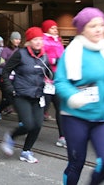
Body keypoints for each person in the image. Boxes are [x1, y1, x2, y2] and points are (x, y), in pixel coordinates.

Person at [54, 7, 104, 184]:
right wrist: (73, 96)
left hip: (102, 116)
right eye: (92, 26)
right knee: (76, 164)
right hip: (76, 117)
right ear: (82, 29)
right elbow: (60, 82)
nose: (98, 29)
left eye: (101, 25)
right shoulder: (72, 52)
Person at [0, 27, 52, 163]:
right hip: (21, 95)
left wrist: (52, 79)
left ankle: (26, 151)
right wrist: (10, 89)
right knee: (28, 125)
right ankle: (11, 136)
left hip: (38, 95)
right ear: (29, 41)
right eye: (35, 39)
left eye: (40, 39)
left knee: (37, 125)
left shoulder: (44, 56)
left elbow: (50, 74)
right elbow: (5, 71)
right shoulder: (20, 54)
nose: (38, 42)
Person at [41, 19, 66, 148]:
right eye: (52, 28)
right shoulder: (43, 40)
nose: (55, 30)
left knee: (60, 107)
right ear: (46, 29)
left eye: (56, 28)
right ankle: (28, 124)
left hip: (58, 77)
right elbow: (41, 57)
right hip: (47, 77)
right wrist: (54, 60)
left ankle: (62, 136)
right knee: (43, 107)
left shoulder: (58, 40)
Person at [0, 31, 22, 115]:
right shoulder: (5, 50)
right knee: (7, 96)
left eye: (19, 39)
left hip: (16, 77)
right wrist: (10, 66)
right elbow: (1, 62)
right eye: (16, 39)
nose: (18, 41)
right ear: (11, 40)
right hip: (6, 76)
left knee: (15, 96)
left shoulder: (19, 50)